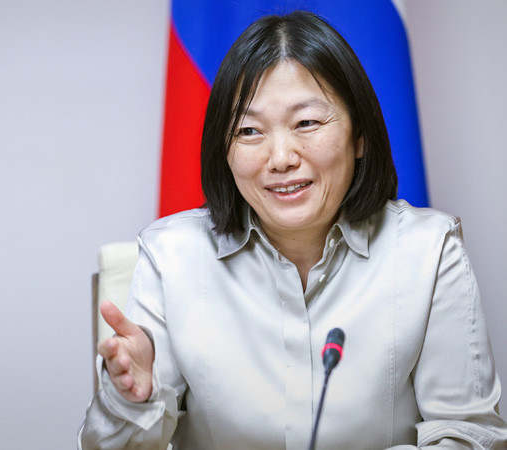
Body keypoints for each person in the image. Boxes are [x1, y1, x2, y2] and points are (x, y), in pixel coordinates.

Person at [78, 11, 507, 450]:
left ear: (359, 135)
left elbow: (469, 435)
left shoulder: (429, 252)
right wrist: (132, 402)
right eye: (249, 130)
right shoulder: (172, 257)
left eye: (307, 123)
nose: (281, 158)